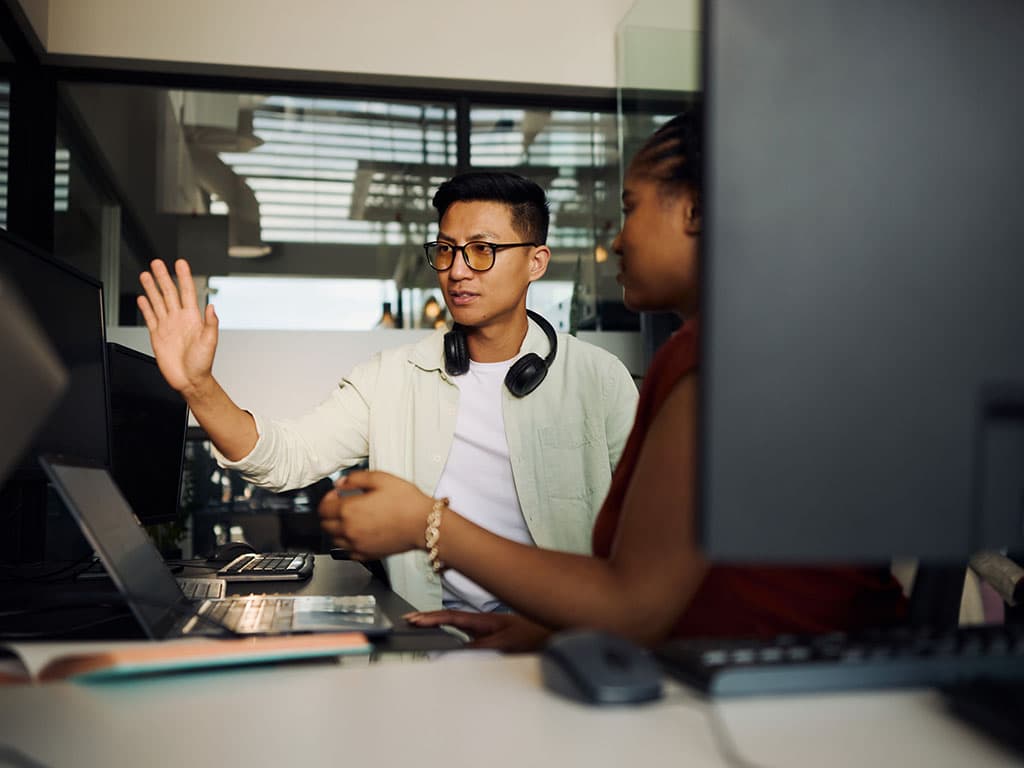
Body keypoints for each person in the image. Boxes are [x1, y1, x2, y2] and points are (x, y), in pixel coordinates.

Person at [318, 108, 908, 650]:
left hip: (806, 692)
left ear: (696, 210)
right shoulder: (729, 345)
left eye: (631, 207)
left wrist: (428, 524)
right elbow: (669, 593)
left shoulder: (717, 359)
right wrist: (536, 627)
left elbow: (635, 606)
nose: (618, 237)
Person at [137, 171, 638, 611]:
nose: (457, 270)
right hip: (430, 638)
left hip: (560, 638)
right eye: (445, 250)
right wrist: (198, 387)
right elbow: (286, 458)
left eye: (482, 250)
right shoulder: (392, 377)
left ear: (536, 261)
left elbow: (647, 536)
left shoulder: (599, 378)